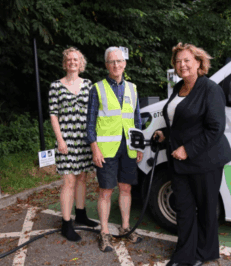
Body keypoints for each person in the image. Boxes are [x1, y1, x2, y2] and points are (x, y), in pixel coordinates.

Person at [154, 43, 231, 266]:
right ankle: (185, 254)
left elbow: (215, 128)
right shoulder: (178, 87)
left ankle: (205, 253)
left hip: (205, 161)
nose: (182, 65)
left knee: (207, 209)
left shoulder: (210, 89)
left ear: (198, 62)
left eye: (187, 60)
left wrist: (188, 149)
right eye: (178, 61)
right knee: (184, 209)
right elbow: (182, 124)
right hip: (179, 162)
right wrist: (165, 134)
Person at [86, 47, 144, 252]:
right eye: (111, 62)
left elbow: (136, 120)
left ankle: (126, 228)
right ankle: (104, 232)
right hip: (106, 149)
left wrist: (139, 145)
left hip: (128, 148)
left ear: (125, 63)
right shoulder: (97, 88)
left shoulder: (133, 88)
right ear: (106, 65)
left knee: (126, 188)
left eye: (119, 61)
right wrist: (94, 149)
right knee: (106, 191)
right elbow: (90, 122)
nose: (116, 65)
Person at [49, 47, 98, 242]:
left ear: (81, 63)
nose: (72, 62)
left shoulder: (88, 85)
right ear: (65, 63)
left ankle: (81, 214)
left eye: (76, 59)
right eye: (69, 59)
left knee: (82, 179)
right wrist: (60, 139)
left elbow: (93, 113)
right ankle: (66, 224)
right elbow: (53, 114)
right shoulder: (56, 86)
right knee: (68, 181)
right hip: (66, 141)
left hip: (84, 140)